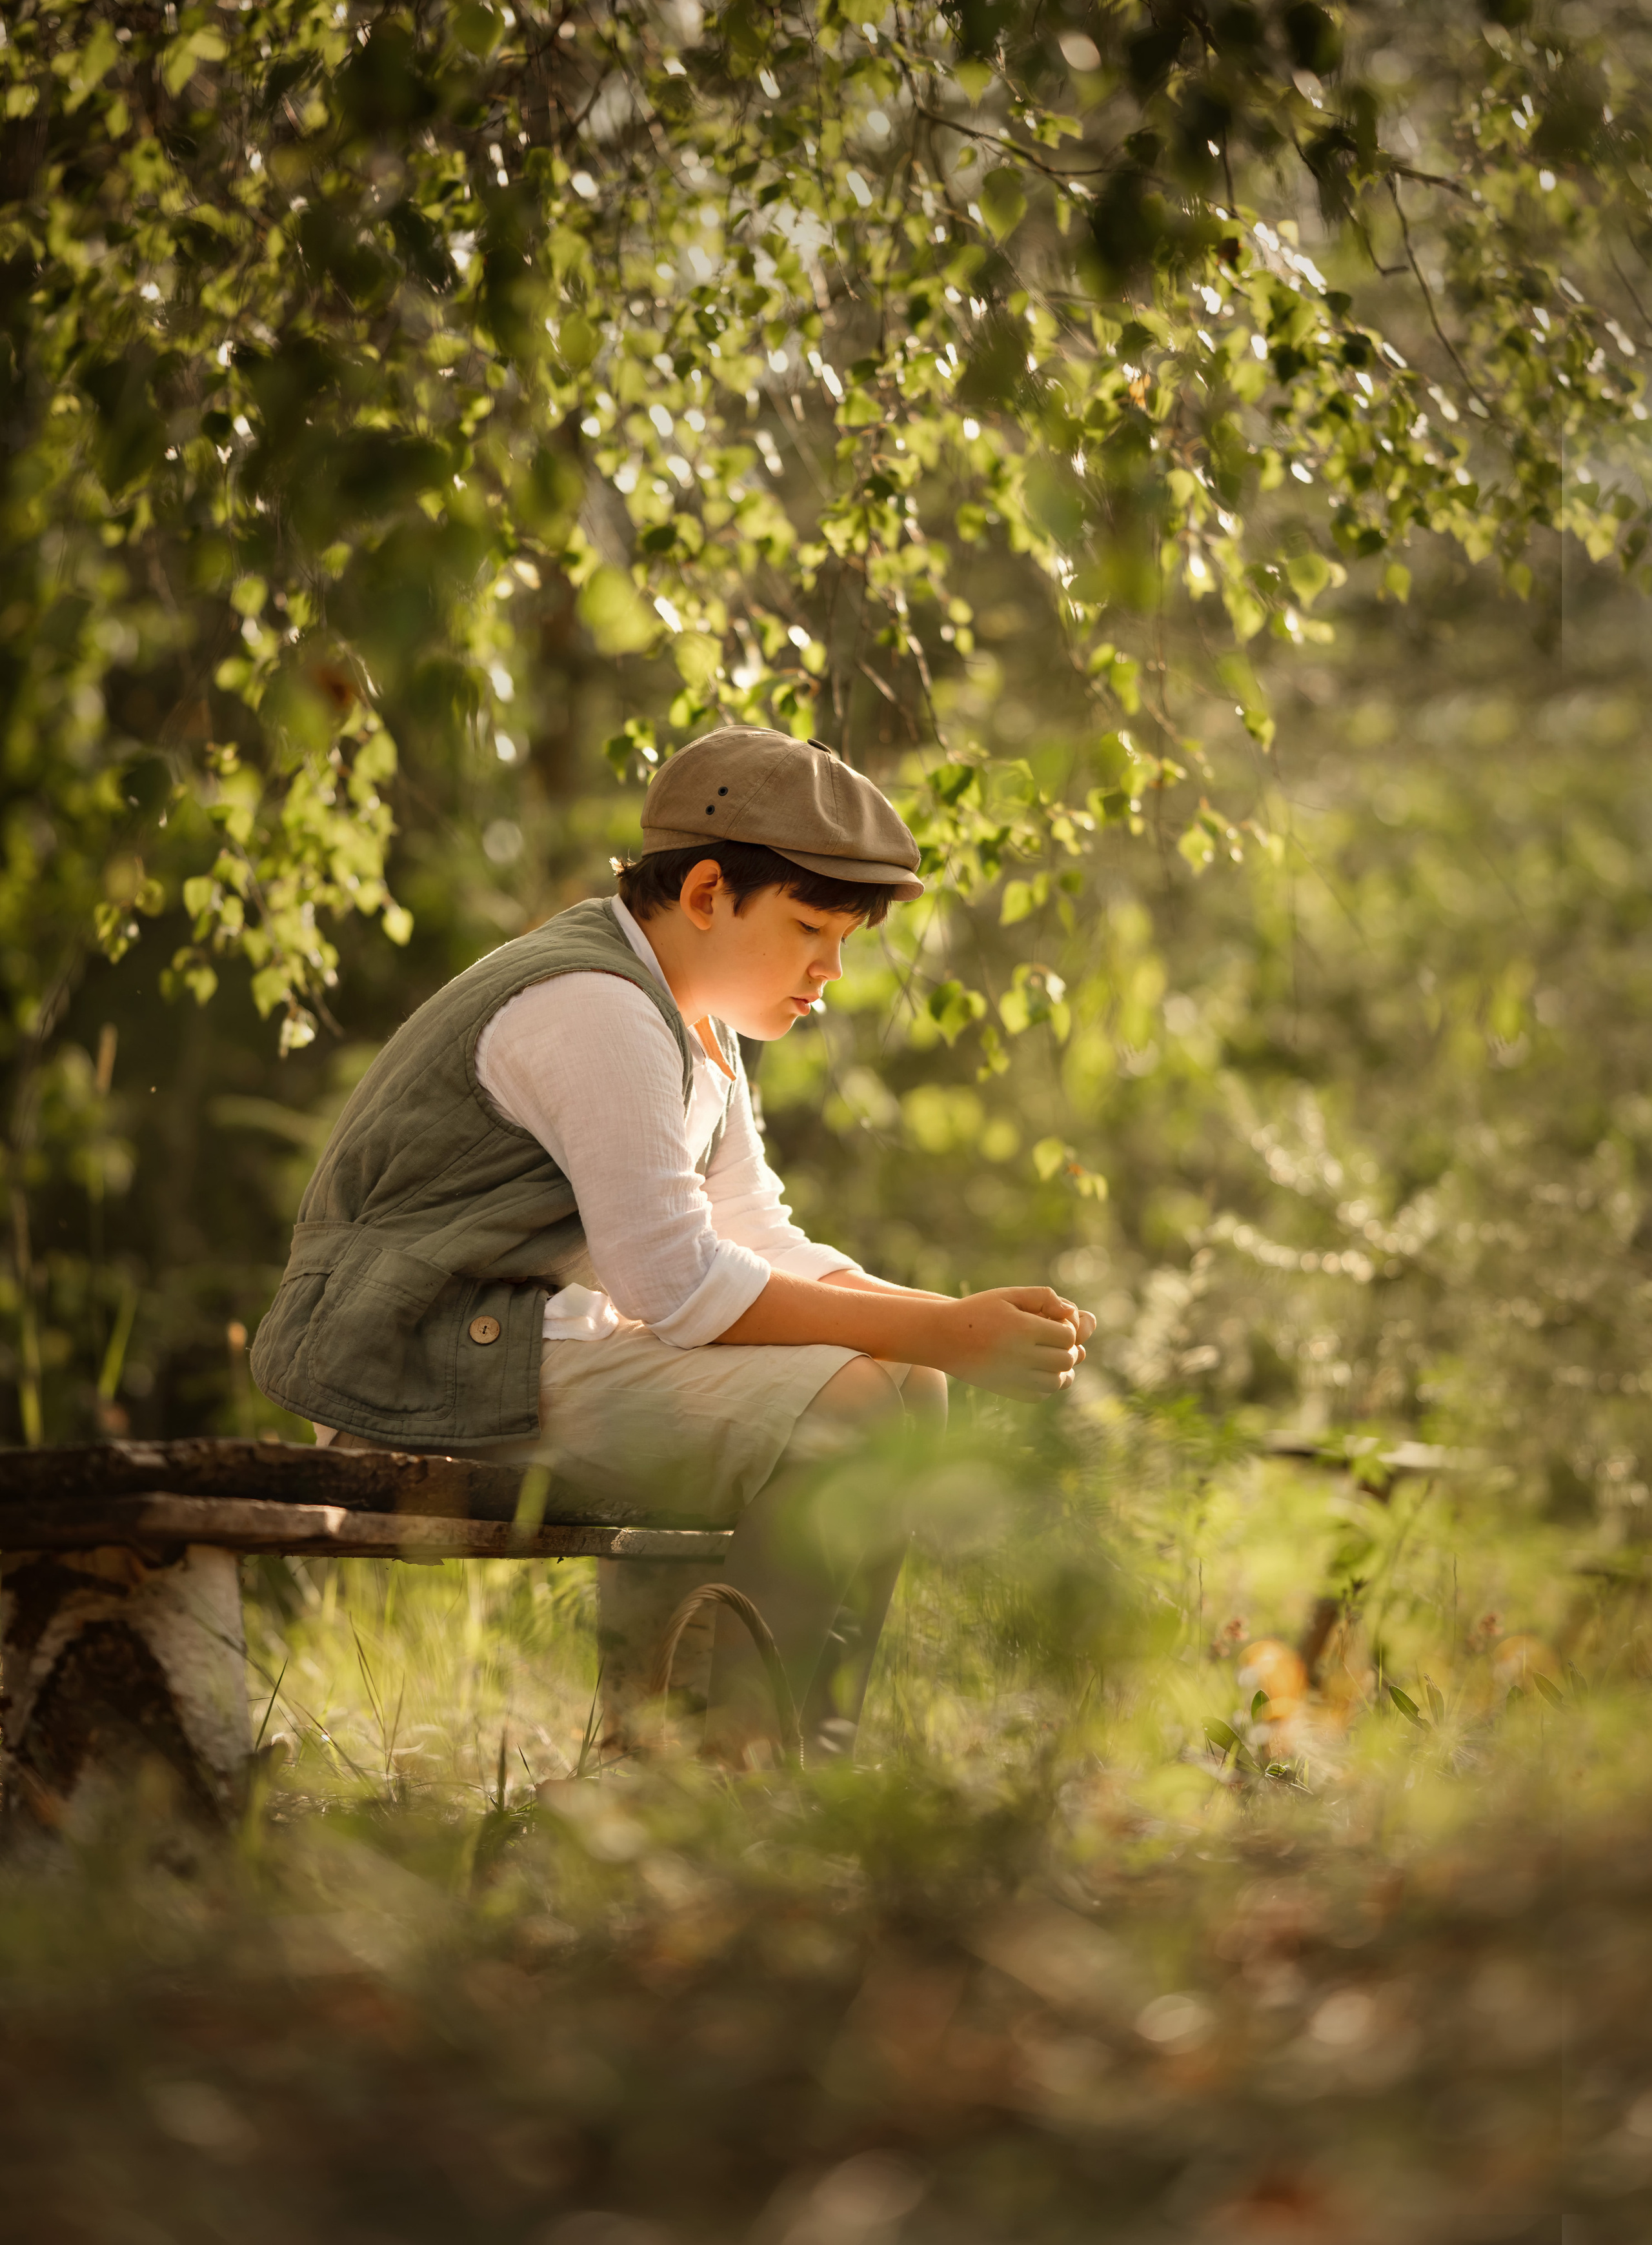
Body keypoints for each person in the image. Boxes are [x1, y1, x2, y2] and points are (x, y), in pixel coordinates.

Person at [250, 727, 1094, 1766]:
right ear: (705, 894)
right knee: (851, 1405)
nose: (831, 969)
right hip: (413, 1367)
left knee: (911, 1382)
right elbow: (677, 1284)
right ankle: (727, 1771)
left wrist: (949, 1329)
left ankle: (799, 1759)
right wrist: (944, 1331)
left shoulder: (697, 1024)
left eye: (843, 940)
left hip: (509, 1351)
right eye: (809, 929)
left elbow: (753, 1231)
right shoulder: (595, 1007)